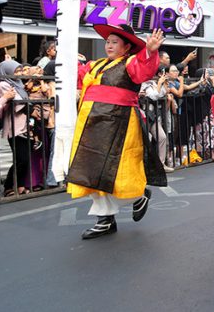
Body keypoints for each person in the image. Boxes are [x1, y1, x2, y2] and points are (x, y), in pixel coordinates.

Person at [67, 25, 165, 240]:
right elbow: (73, 75)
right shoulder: (96, 65)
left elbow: (144, 70)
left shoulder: (131, 63)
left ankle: (136, 197)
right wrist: (65, 54)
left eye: (114, 42)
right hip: (91, 124)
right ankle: (106, 219)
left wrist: (150, 51)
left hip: (119, 122)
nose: (109, 45)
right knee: (91, 169)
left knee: (119, 169)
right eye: (108, 41)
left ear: (127, 46)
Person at [0, 60, 33, 196]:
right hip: (14, 126)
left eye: (20, 70)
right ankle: (8, 186)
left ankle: (19, 185)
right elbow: (19, 103)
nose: (19, 73)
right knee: (21, 158)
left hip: (25, 125)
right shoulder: (3, 84)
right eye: (16, 71)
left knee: (25, 157)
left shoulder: (18, 84)